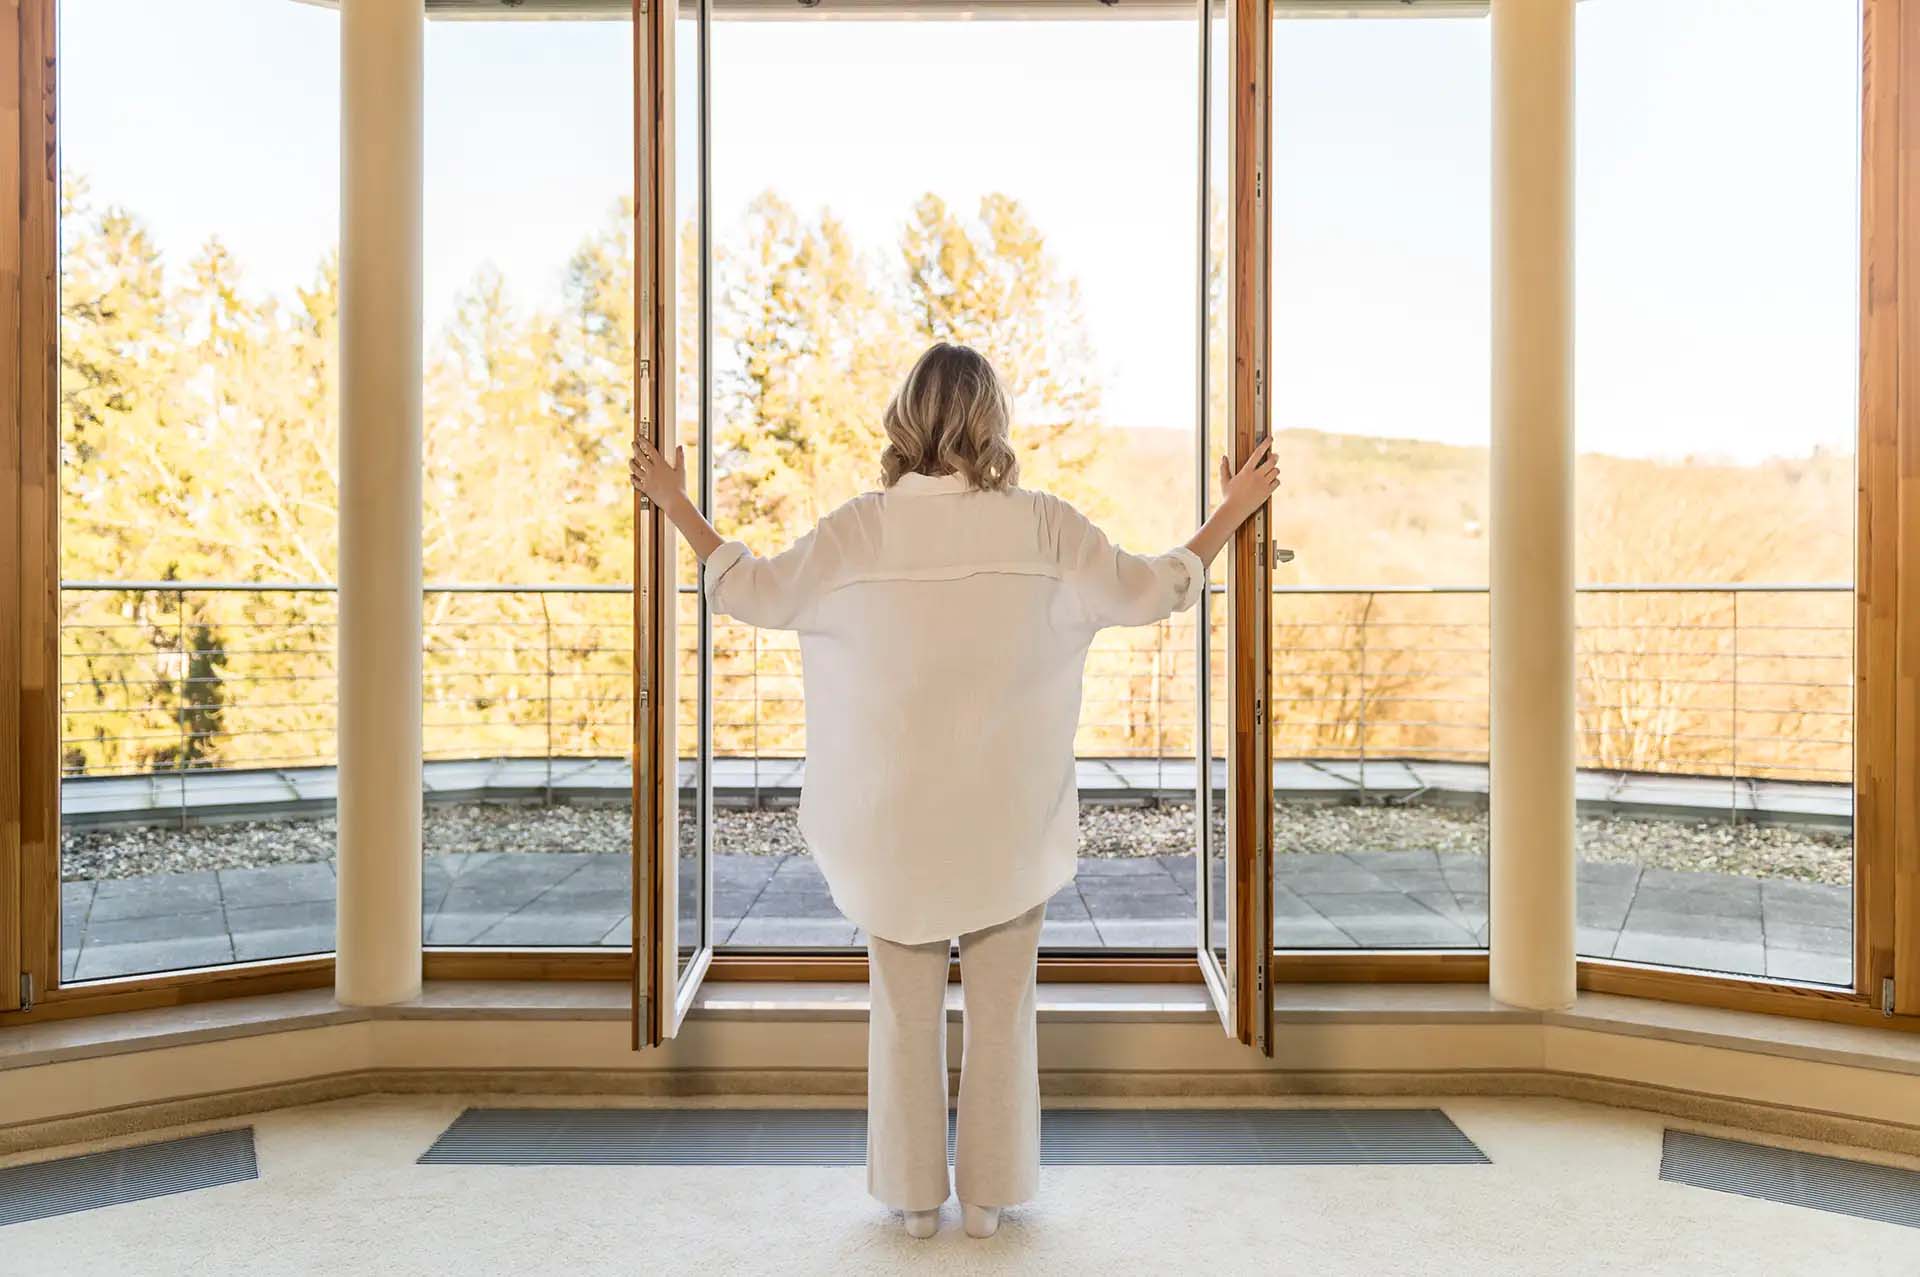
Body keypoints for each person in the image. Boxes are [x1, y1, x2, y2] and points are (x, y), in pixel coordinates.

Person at [628, 341, 1279, 1240]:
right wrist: (1230, 513)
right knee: (1004, 1013)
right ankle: (987, 1201)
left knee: (902, 1013)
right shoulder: (1044, 526)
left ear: (905, 419)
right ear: (992, 421)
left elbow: (753, 593)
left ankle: (914, 1202)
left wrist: (678, 507)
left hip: (894, 829)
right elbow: (1149, 588)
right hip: (1006, 825)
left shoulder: (860, 529)